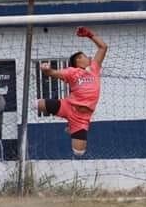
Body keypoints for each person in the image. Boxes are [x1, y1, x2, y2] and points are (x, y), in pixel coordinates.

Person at [34, 27, 108, 156]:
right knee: (35, 104)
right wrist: (46, 69)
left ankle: (71, 124)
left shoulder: (94, 68)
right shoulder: (72, 72)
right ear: (78, 60)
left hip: (81, 118)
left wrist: (90, 35)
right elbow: (53, 73)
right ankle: (68, 120)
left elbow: (103, 47)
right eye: (85, 56)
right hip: (67, 106)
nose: (89, 58)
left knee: (78, 152)